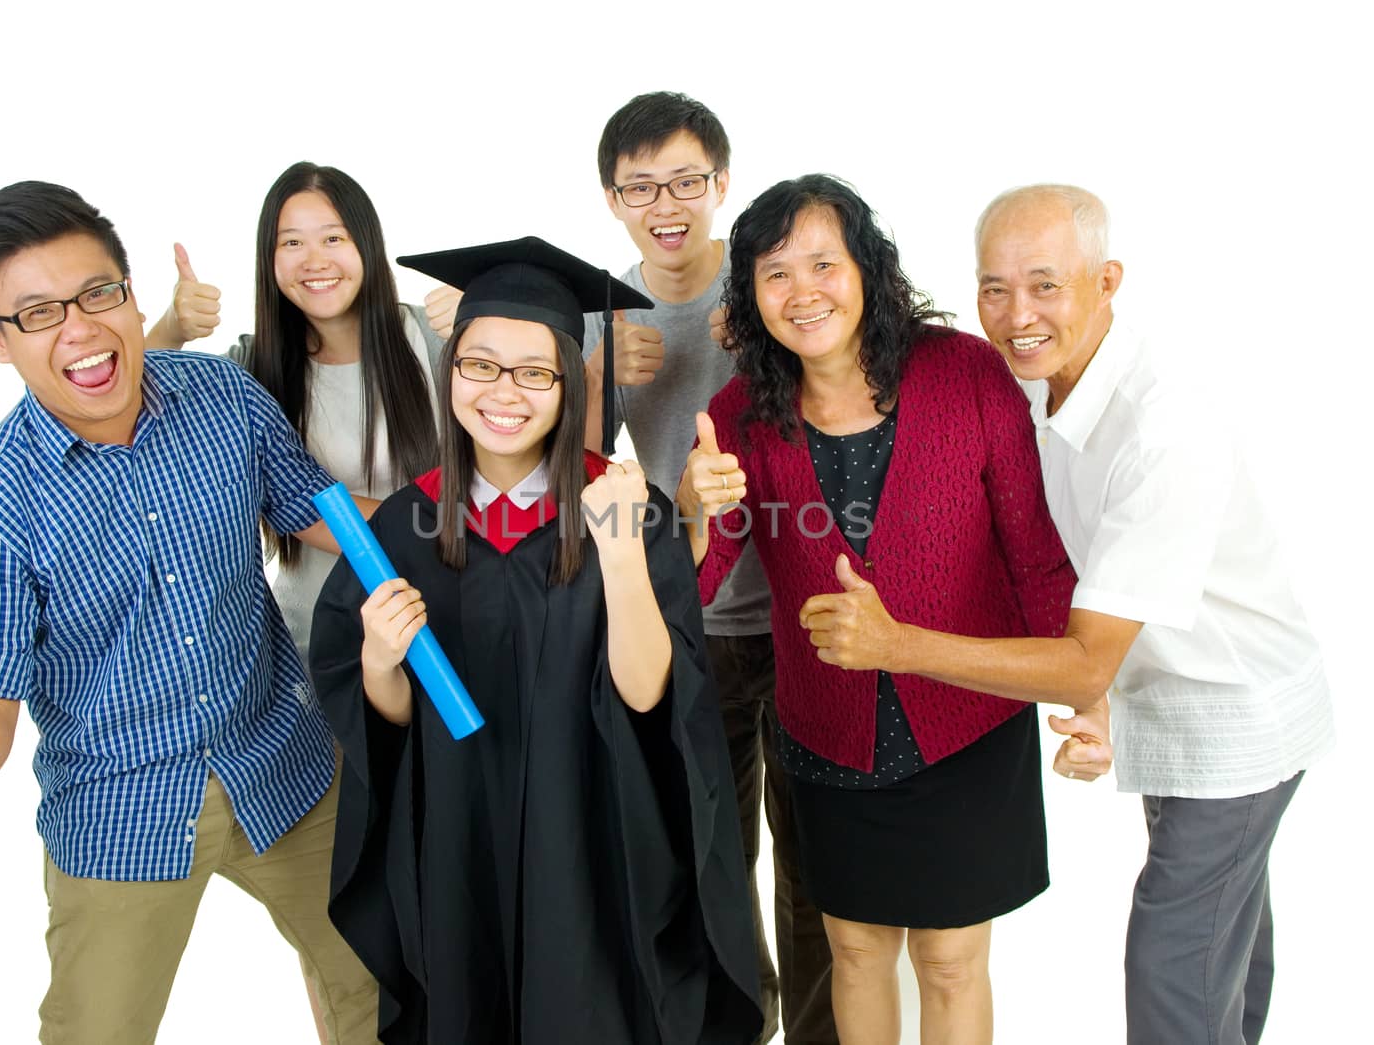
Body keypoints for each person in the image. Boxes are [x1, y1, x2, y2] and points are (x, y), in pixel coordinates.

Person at [0, 181, 378, 1043]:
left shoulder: (221, 400)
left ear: (130, 292)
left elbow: (320, 512)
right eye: (37, 313)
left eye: (96, 293)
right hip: (124, 811)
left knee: (382, 984)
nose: (78, 329)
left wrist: (488, 524)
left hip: (287, 764)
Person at [875, 183, 1335, 1043]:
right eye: (994, 288)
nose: (1016, 315)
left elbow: (1087, 654)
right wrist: (1106, 705)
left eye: (1045, 285)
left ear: (1107, 280)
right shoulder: (1043, 390)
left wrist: (895, 645)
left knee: (1173, 956)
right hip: (1167, 696)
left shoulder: (1165, 427)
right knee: (1225, 946)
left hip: (1237, 715)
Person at [425, 91, 832, 1044]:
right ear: (612, 199)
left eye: (687, 181)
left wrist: (772, 337)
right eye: (640, 186)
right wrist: (604, 380)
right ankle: (737, 1026)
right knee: (707, 857)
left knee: (815, 871)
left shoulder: (775, 291)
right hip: (681, 618)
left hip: (804, 615)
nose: (667, 203)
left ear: (721, 184)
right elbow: (554, 456)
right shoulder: (593, 311)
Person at [309, 236, 764, 1044]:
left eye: (533, 371)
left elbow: (652, 696)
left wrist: (621, 557)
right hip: (457, 832)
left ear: (567, 382)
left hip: (591, 830)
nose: (503, 393)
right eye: (479, 364)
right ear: (449, 372)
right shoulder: (407, 528)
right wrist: (380, 659)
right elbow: (386, 721)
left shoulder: (630, 507)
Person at [678, 174, 1078, 1045]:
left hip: (968, 721)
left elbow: (1035, 553)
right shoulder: (737, 414)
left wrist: (1089, 696)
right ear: (749, 295)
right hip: (827, 731)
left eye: (824, 262)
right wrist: (693, 510)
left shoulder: (965, 370)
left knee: (949, 961)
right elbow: (699, 587)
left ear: (867, 269)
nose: (802, 291)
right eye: (774, 273)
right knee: (855, 952)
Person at [148, 161, 441, 663]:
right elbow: (133, 402)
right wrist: (171, 330)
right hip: (314, 645)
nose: (314, 261)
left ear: (367, 244)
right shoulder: (249, 370)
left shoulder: (432, 339)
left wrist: (486, 324)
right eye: (291, 243)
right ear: (269, 258)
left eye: (332, 239)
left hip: (437, 629)